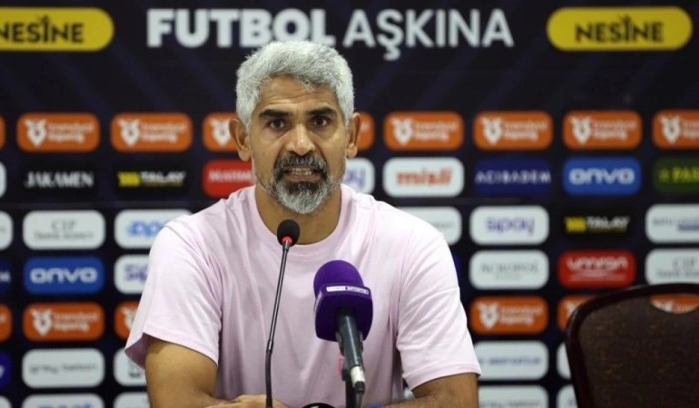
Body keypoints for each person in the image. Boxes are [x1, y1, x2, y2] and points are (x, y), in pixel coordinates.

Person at [125, 40, 481, 408]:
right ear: (243, 140)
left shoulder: (413, 245)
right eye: (277, 123)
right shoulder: (192, 245)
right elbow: (177, 401)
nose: (300, 144)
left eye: (320, 121)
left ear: (352, 136)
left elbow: (456, 401)